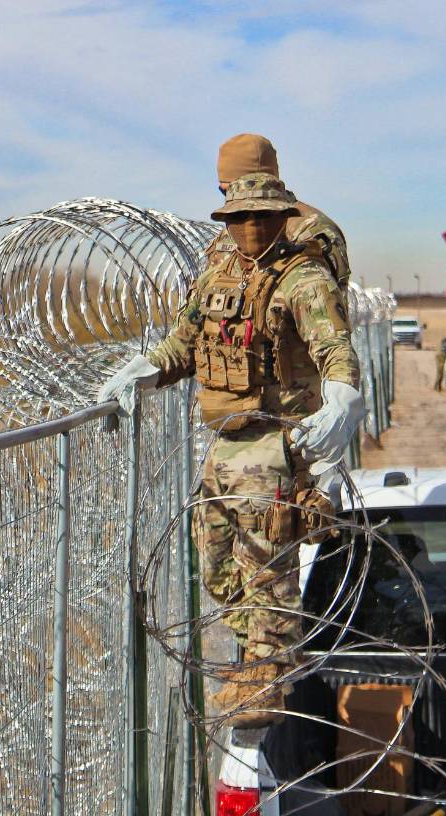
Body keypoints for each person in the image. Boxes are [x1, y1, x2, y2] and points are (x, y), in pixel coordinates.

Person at [98, 173, 364, 728]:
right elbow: (185, 344)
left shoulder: (304, 278)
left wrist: (342, 397)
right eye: (239, 218)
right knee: (218, 561)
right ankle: (255, 657)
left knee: (266, 563)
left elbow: (334, 348)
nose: (250, 227)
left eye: (262, 217)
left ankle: (266, 679)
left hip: (272, 442)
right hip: (224, 441)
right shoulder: (220, 277)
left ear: (280, 218)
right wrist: (142, 370)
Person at [208, 133, 351, 287]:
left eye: (230, 192)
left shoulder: (314, 231)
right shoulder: (231, 230)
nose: (229, 202)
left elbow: (327, 302)